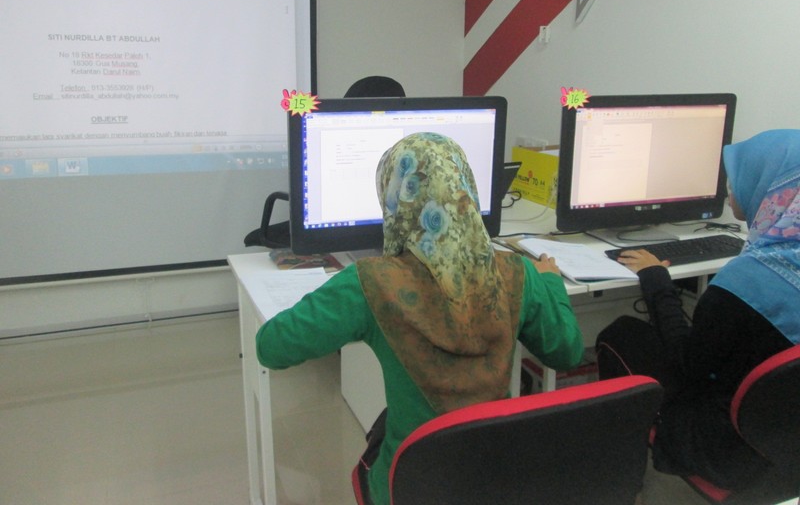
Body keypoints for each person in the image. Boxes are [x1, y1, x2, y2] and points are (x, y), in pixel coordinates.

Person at [256, 132, 584, 505]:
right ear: (466, 189)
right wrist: (551, 283)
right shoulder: (518, 273)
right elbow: (568, 352)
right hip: (496, 478)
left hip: (411, 486)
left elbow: (271, 347)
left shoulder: (370, 284)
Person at [595, 129, 800, 490]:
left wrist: (656, 280)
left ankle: (619, 482)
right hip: (787, 441)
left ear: (772, 192)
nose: (730, 191)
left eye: (737, 181)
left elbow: (685, 363)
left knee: (621, 334)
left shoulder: (747, 282)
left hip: (726, 446)